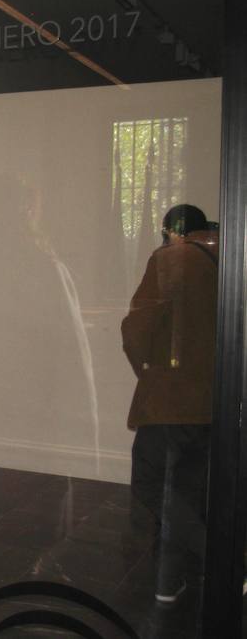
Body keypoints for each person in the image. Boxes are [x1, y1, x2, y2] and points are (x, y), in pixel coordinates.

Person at [122, 204, 218, 605]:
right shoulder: (223, 259)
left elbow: (137, 328)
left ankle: (222, 558)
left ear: (171, 231)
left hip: (170, 396)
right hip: (213, 398)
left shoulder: (171, 259)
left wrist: (146, 369)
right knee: (185, 489)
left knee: (152, 484)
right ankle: (169, 581)